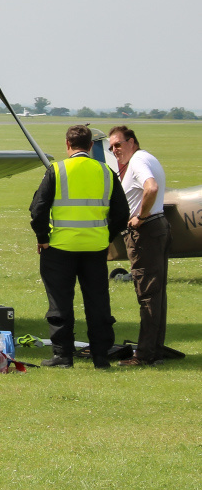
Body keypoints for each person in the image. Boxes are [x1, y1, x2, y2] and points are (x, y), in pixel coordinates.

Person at [29, 125, 129, 368]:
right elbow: (122, 213)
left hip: (60, 247)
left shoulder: (57, 170)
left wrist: (43, 237)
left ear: (67, 144)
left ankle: (63, 356)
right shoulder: (106, 171)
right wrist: (106, 237)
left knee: (60, 302)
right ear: (91, 145)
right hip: (95, 248)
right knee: (97, 303)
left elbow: (38, 209)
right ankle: (101, 357)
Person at [107, 125, 169, 366]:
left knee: (147, 295)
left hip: (146, 232)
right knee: (156, 295)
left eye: (118, 144)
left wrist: (140, 217)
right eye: (112, 147)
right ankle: (155, 350)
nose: (115, 150)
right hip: (158, 227)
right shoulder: (147, 157)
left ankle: (144, 356)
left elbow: (150, 187)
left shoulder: (137, 161)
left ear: (132, 141)